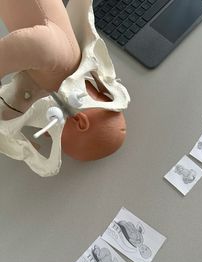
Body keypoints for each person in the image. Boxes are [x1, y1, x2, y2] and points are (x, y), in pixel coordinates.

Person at [0, 0, 126, 161]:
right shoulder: (64, 63)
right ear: (80, 121)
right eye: (56, 138)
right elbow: (36, 44)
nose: (47, 135)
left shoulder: (53, 81)